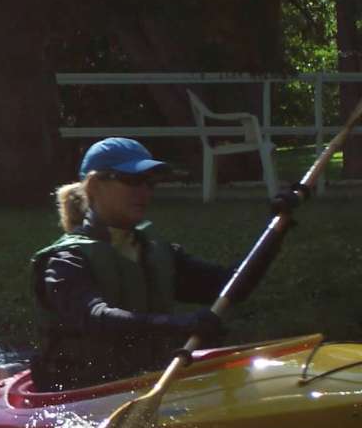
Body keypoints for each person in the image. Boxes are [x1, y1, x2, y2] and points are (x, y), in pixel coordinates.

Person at [30, 137, 231, 391]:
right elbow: (95, 317)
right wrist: (176, 325)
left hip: (149, 381)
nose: (145, 192)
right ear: (95, 185)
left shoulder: (154, 251)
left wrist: (277, 229)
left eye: (150, 183)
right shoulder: (66, 261)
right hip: (74, 394)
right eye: (133, 181)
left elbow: (231, 285)